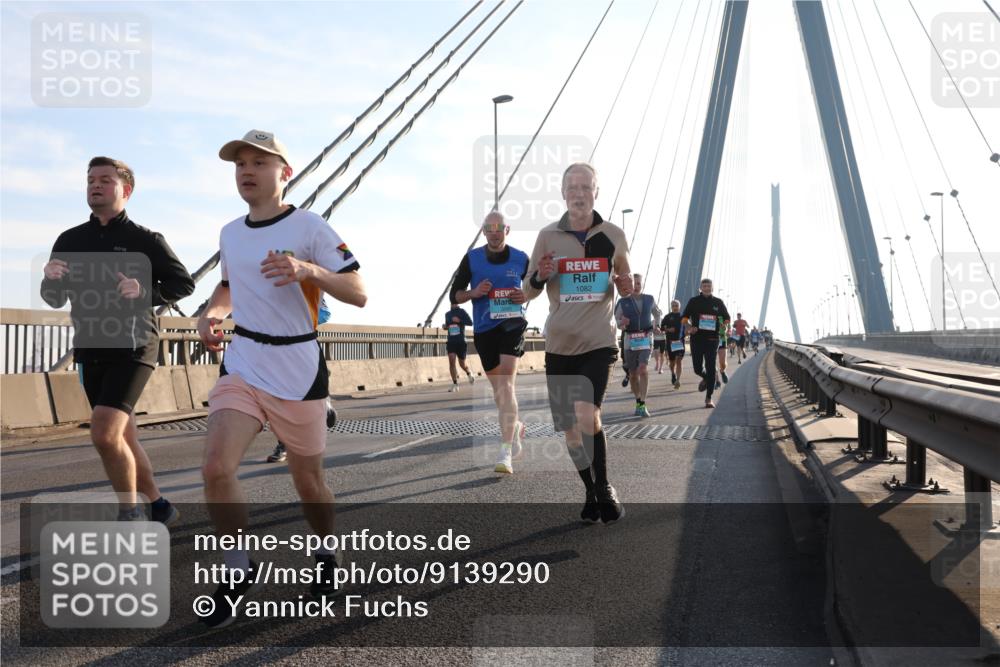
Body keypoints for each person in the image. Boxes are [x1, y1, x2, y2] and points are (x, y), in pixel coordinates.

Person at [197, 130, 367, 628]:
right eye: (240, 164)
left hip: (298, 368)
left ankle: (327, 553)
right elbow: (228, 286)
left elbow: (358, 290)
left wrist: (308, 270)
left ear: (285, 173)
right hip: (244, 360)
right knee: (215, 468)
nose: (246, 171)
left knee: (308, 483)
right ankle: (238, 569)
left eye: (259, 162)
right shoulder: (230, 233)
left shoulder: (310, 226)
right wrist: (212, 314)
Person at [41, 156, 194, 523]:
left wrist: (145, 292)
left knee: (105, 434)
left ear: (126, 190)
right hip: (90, 347)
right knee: (123, 438)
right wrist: (50, 279)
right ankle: (159, 506)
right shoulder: (69, 239)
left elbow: (183, 283)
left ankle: (130, 512)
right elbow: (54, 299)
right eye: (90, 180)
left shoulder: (146, 240)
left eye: (105, 180)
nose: (95, 185)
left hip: (134, 346)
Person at [523, 162, 632, 524]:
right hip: (559, 346)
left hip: (598, 342)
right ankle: (589, 490)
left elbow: (626, 279)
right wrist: (540, 275)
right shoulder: (547, 236)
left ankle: (604, 488)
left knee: (588, 415)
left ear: (596, 192)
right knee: (571, 431)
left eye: (586, 187)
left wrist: (626, 286)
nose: (579, 194)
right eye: (573, 187)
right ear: (563, 193)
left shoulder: (613, 235)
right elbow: (527, 290)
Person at [449, 212, 529, 475]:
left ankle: (505, 451)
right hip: (485, 330)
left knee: (506, 385)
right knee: (499, 391)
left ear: (507, 229)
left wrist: (525, 294)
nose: (494, 232)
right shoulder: (472, 258)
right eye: (489, 228)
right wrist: (473, 293)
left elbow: (535, 286)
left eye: (499, 228)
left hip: (512, 325)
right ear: (484, 231)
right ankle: (515, 425)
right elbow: (455, 295)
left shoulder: (521, 258)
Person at [266, 296, 338, 463]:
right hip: (276, 349)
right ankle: (283, 444)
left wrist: (298, 319)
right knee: (280, 399)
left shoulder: (305, 284)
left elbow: (325, 313)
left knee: (296, 398)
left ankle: (323, 403)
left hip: (302, 347)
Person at [614, 273, 662, 418]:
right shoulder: (622, 302)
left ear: (642, 284)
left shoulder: (649, 299)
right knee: (633, 374)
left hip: (646, 338)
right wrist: (622, 323)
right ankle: (638, 402)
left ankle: (642, 403)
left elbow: (657, 313)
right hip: (630, 340)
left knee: (643, 369)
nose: (636, 286)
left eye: (638, 283)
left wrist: (657, 325)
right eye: (633, 283)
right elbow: (617, 321)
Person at [681, 278, 730, 408]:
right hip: (697, 339)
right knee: (697, 368)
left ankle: (709, 398)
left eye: (709, 286)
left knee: (710, 367)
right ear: (700, 288)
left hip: (712, 339)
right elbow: (684, 318)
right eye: (704, 286)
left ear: (712, 288)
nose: (707, 288)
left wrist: (724, 325)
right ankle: (707, 378)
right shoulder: (693, 301)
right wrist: (689, 327)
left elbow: (727, 318)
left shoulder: (718, 302)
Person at [442, 302, 475, 392]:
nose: (453, 304)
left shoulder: (462, 312)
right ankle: (455, 384)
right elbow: (448, 326)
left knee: (462, 364)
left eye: (455, 302)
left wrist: (459, 321)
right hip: (451, 341)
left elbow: (470, 323)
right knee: (452, 362)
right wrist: (445, 327)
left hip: (461, 341)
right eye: (452, 302)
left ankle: (469, 373)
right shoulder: (447, 314)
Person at [660, 299, 685, 389]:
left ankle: (678, 380)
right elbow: (661, 328)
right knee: (672, 363)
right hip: (670, 342)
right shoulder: (667, 317)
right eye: (673, 306)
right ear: (671, 307)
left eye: (676, 306)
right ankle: (673, 374)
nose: (675, 307)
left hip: (679, 342)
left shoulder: (683, 317)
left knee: (679, 360)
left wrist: (689, 331)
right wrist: (668, 329)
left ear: (679, 307)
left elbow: (688, 326)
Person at [716, 317, 729, 388]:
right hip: (710, 339)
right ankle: (717, 381)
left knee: (723, 363)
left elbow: (726, 328)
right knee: (711, 362)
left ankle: (722, 371)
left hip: (722, 339)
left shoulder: (723, 315)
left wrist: (722, 326)